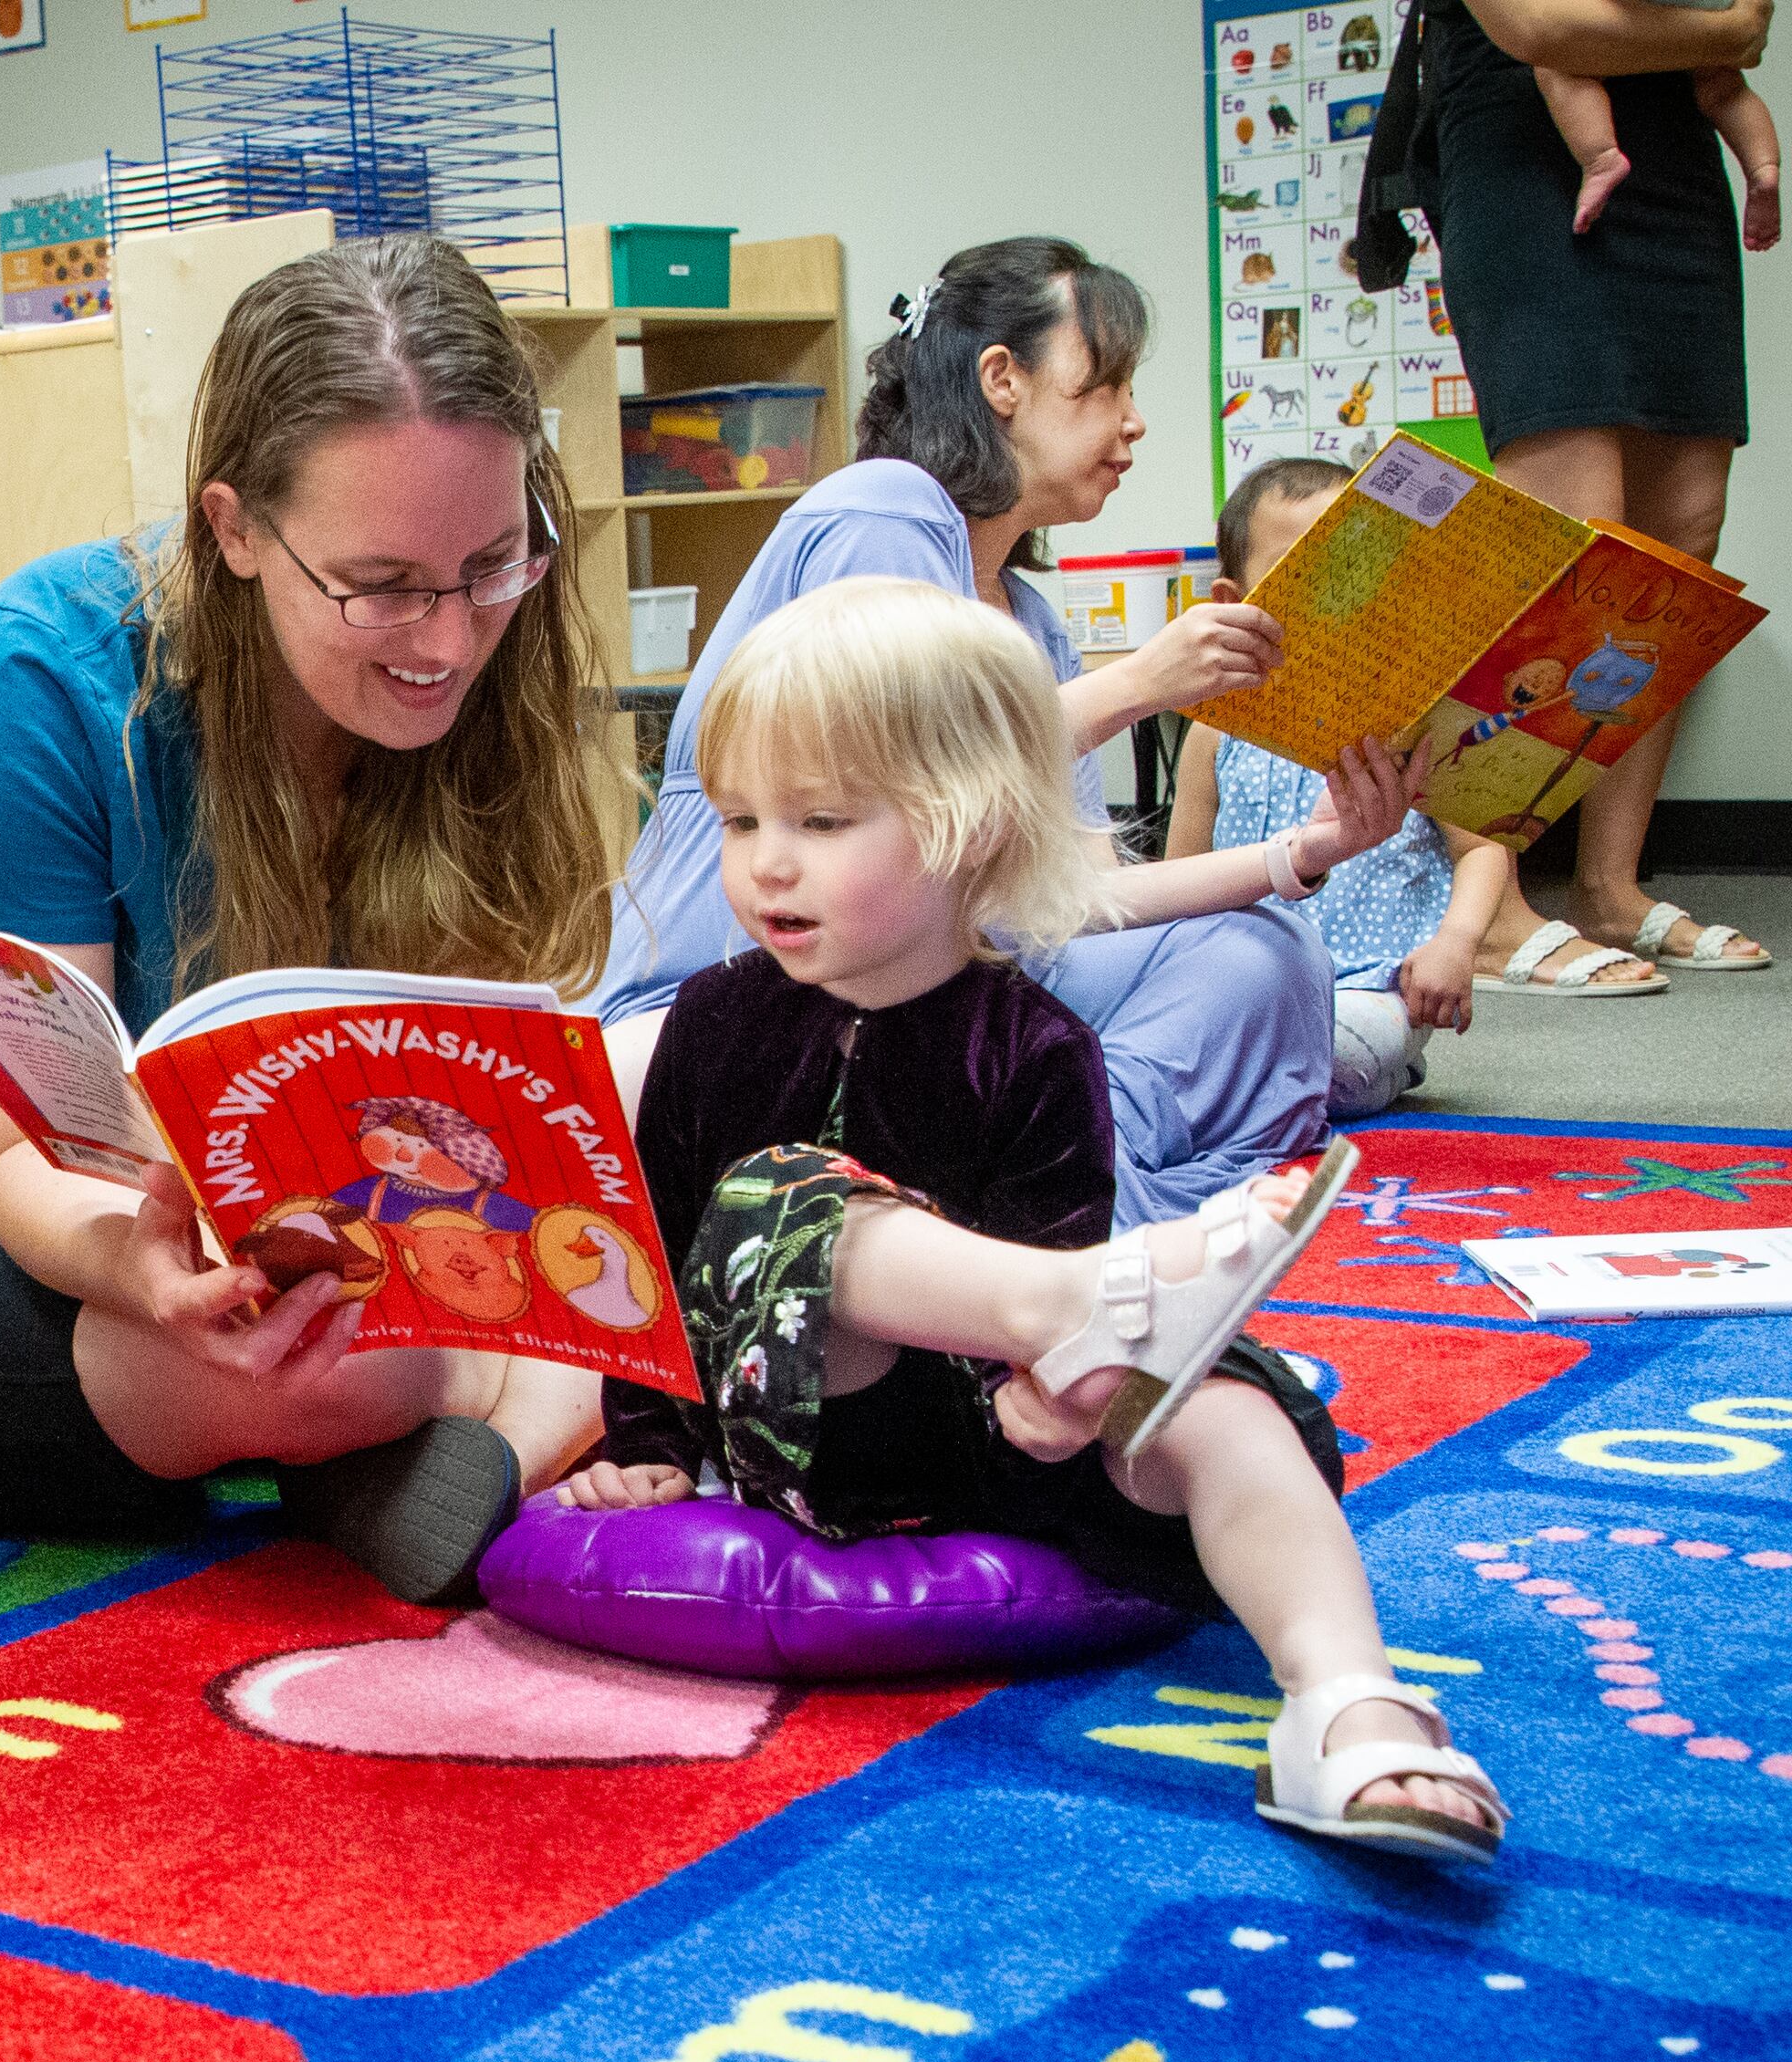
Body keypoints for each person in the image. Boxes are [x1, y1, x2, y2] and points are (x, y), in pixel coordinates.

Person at [563, 578, 1506, 1864]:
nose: (764, 860)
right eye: (741, 820)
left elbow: (1058, 1242)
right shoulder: (718, 1022)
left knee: (1217, 1402)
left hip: (994, 1423)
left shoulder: (1039, 1043)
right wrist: (650, 1438)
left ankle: (1347, 1703)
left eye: (823, 819)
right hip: (805, 1413)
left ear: (972, 829)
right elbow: (658, 1255)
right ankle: (1073, 1312)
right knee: (779, 1195)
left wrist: (1063, 1406)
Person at [0, 235, 620, 1604]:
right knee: (338, 1363)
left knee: (697, 1202)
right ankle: (501, 1427)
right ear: (233, 528)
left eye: (491, 564)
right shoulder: (37, 675)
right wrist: (150, 1269)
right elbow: (22, 1170)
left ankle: (434, 1424)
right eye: (382, 583)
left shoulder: (482, 663)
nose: (450, 639)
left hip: (306, 1241)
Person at [598, 236, 1406, 1228]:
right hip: (768, 978)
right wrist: (1143, 684)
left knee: (1270, 951)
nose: (1134, 421)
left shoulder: (1035, 617)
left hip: (937, 972)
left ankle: (1090, 1169)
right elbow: (886, 783)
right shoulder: (883, 510)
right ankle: (1073, 1196)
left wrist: (1299, 855)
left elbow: (1074, 901)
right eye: (1105, 387)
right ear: (1003, 380)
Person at [1425, 0, 1776, 974]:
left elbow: (1745, 26)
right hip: (1526, 156)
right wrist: (1716, 35)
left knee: (1675, 544)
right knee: (1569, 546)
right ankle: (1490, 901)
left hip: (1673, 165)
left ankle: (1609, 887)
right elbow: (1542, 27)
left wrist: (1716, 44)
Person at [1169, 461, 1570, 1119]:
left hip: (1374, 987)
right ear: (1235, 601)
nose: (1332, 592)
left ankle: (1280, 1088)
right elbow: (1182, 872)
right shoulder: (1215, 728)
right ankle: (1246, 1087)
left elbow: (1481, 847)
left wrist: (1455, 943)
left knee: (1334, 1059)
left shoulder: (1417, 717)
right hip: (1244, 985)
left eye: (1353, 566)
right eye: (1300, 571)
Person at [1535, 28, 1776, 243]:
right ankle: (1762, 168)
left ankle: (1602, 159)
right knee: (1724, 86)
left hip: (1618, 17)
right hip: (1698, 14)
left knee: (1557, 63)